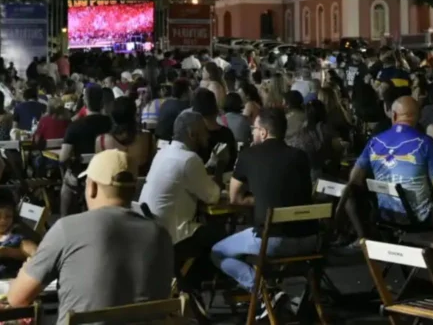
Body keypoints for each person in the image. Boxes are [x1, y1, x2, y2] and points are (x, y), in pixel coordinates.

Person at [8, 150, 173, 323]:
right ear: (133, 190)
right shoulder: (161, 234)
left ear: (92, 187)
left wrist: (24, 271)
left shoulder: (67, 229)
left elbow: (17, 299)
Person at [211, 108, 317, 310]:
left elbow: (235, 197)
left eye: (254, 128)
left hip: (273, 240)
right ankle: (276, 295)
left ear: (263, 132)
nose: (252, 132)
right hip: (310, 239)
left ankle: (264, 292)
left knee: (218, 252)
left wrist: (259, 201)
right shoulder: (300, 156)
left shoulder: (249, 155)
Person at [140, 111, 221, 300]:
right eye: (204, 132)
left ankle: (191, 290)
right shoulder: (189, 160)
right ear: (192, 134)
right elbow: (214, 196)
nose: (208, 136)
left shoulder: (163, 153)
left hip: (154, 229)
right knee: (224, 240)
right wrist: (218, 166)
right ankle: (195, 289)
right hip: (175, 236)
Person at [348, 96, 433, 229]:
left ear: (394, 115)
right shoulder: (425, 142)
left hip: (385, 219)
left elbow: (355, 179)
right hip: (420, 222)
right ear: (418, 117)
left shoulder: (374, 142)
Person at [60, 86, 112, 217]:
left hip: (81, 176)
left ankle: (65, 221)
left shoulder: (75, 126)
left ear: (85, 103)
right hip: (107, 174)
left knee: (66, 187)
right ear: (102, 102)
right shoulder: (112, 124)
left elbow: (63, 157)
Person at [96, 97, 151, 175]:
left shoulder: (101, 141)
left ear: (113, 116)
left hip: (112, 185)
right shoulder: (148, 138)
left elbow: (99, 171)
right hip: (141, 186)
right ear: (135, 114)